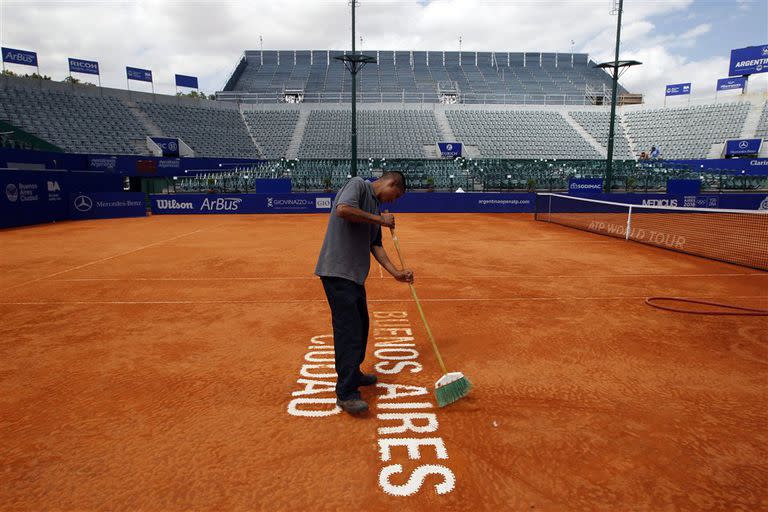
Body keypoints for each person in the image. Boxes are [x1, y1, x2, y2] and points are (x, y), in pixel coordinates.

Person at [315, 172, 414, 415]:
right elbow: (343, 209)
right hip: (338, 271)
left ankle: (354, 373)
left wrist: (395, 273)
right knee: (348, 332)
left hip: (354, 275)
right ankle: (346, 393)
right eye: (395, 195)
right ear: (391, 183)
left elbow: (375, 245)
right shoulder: (358, 185)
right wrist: (379, 219)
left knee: (361, 326)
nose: (392, 201)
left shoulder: (376, 207)